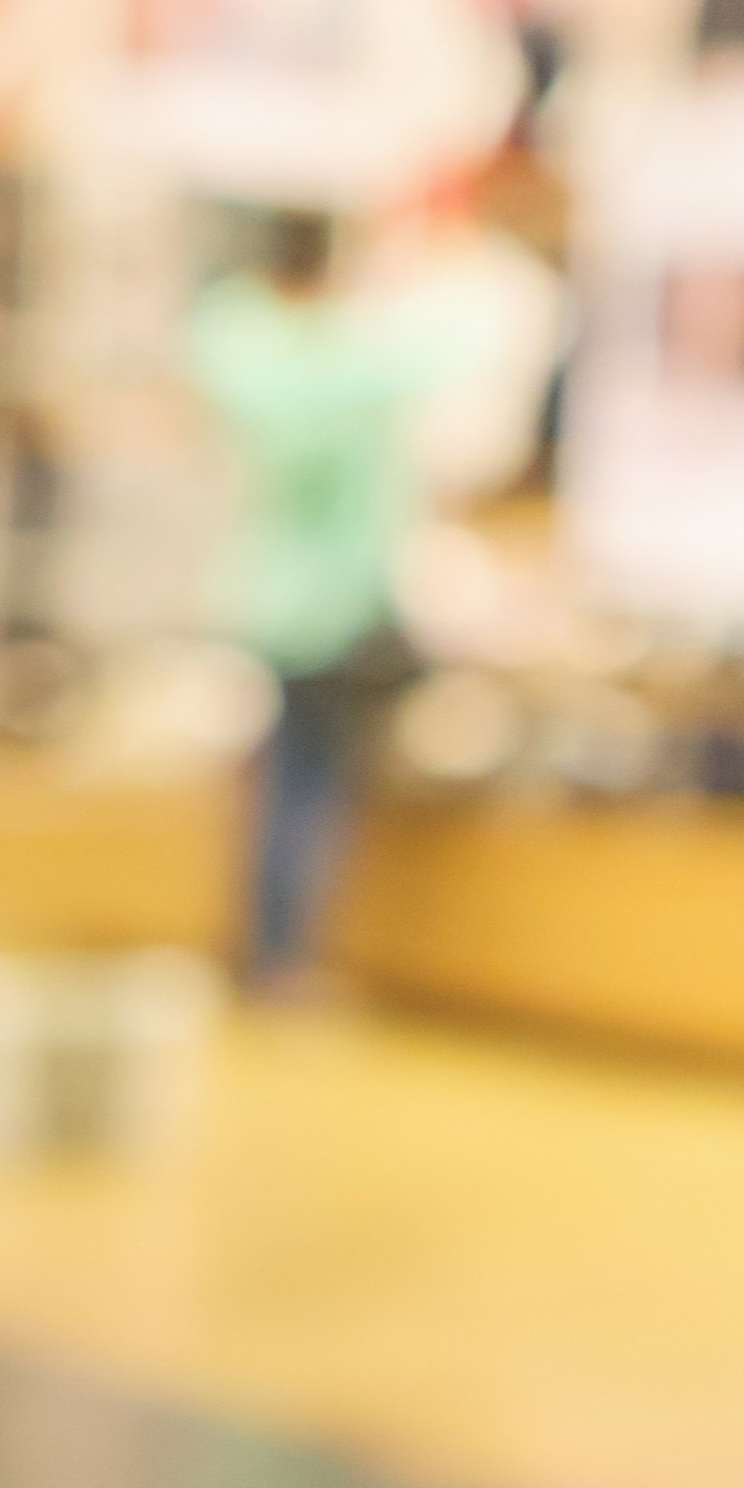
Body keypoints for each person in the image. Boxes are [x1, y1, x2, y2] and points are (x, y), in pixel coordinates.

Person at [188, 201, 472, 993]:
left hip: (271, 596)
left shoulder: (254, 361)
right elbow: (440, 353)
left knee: (277, 775)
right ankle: (286, 955)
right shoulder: (349, 369)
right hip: (331, 607)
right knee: (309, 786)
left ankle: (266, 947)